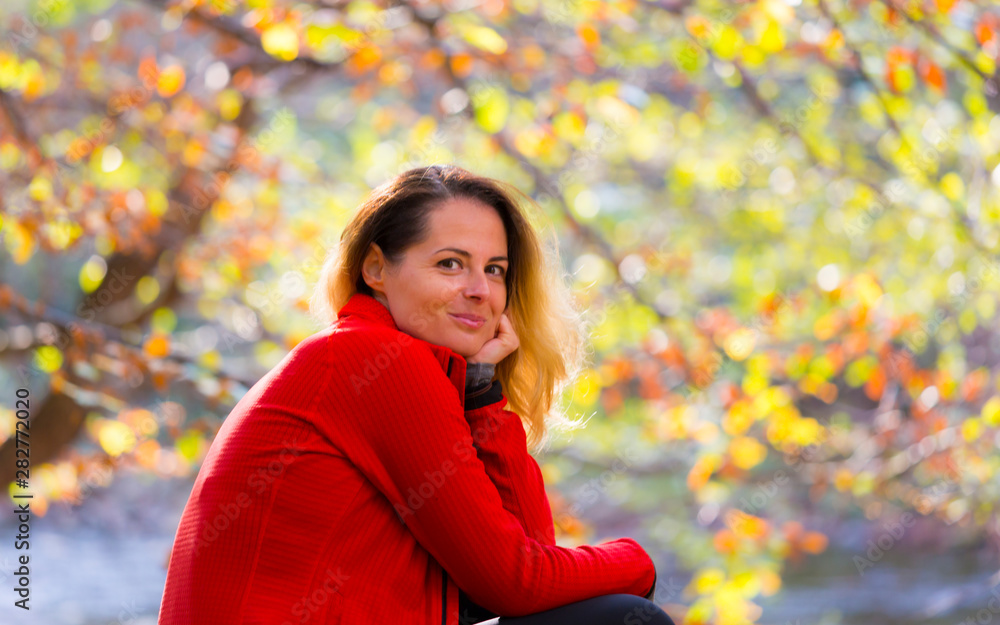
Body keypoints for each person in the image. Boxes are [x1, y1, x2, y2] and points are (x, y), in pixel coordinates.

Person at [157, 164, 673, 625]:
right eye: (450, 264)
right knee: (624, 620)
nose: (480, 290)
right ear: (376, 269)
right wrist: (639, 563)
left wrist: (483, 393)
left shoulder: (371, 358)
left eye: (494, 269)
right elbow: (517, 582)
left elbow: (533, 570)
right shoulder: (372, 358)